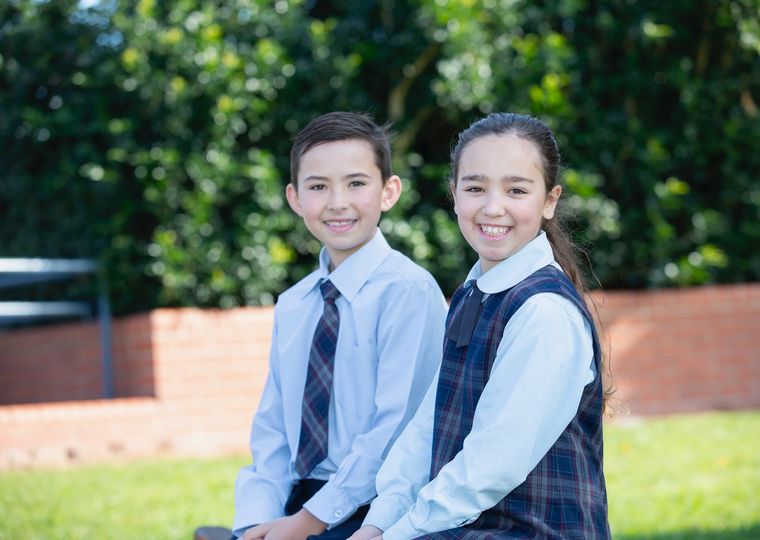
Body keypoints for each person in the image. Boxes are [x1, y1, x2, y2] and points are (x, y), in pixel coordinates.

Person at [349, 112, 611, 540]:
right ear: (454, 195)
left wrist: (400, 533)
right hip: (466, 525)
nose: (493, 207)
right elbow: (427, 427)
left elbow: (493, 464)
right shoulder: (475, 291)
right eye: (475, 188)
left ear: (550, 200)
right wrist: (378, 522)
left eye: (516, 190)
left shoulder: (544, 312)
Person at [231, 112, 448, 540]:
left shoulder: (408, 292)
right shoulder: (294, 303)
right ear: (294, 198)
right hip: (299, 499)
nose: (337, 202)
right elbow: (274, 427)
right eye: (318, 186)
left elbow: (395, 430)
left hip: (380, 505)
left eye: (356, 183)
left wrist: (307, 523)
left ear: (389, 191)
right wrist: (255, 522)